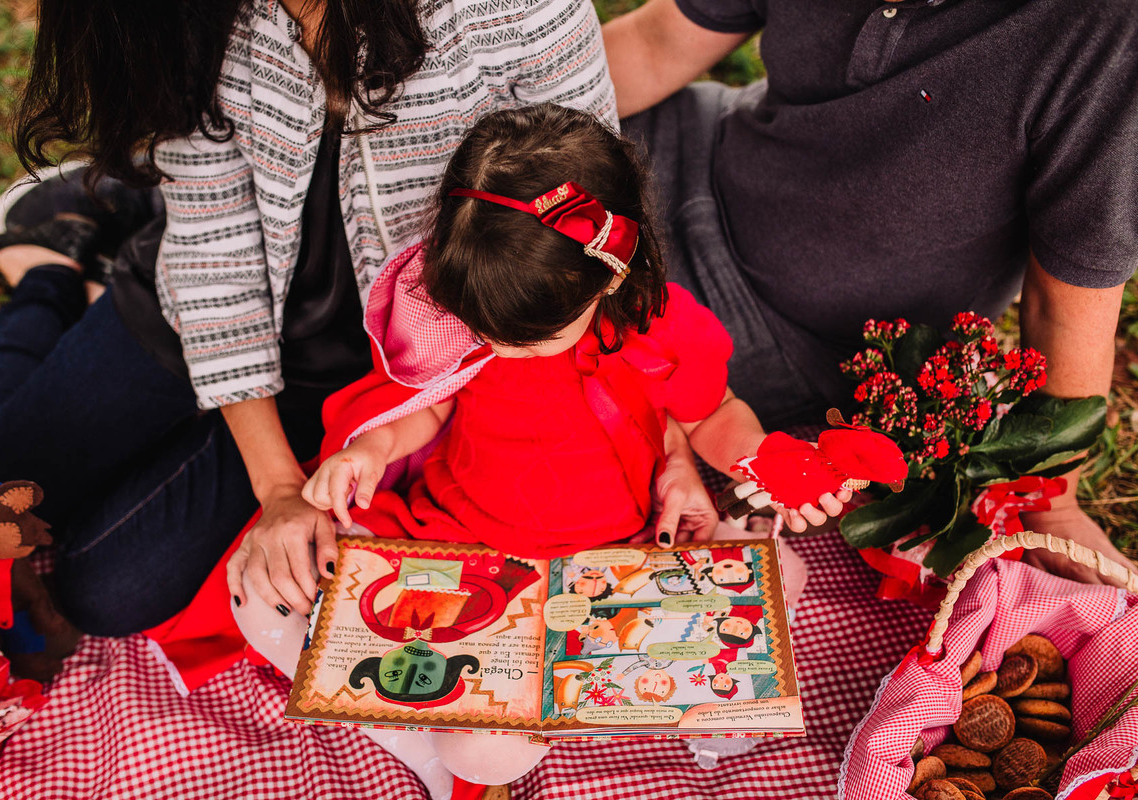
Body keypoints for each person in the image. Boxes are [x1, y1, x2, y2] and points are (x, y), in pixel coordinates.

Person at [0, 0, 615, 636]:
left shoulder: (520, 11)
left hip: (347, 372)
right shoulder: (182, 18)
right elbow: (211, 249)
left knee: (104, 593)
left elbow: (593, 222)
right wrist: (280, 488)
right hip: (189, 303)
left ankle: (72, 265)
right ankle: (51, 276)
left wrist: (294, 488)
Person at [232, 104, 848, 799]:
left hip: (617, 558)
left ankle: (591, 709)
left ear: (610, 277)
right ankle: (420, 748)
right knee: (260, 594)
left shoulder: (658, 324)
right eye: (485, 332)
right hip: (461, 546)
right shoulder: (463, 305)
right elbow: (428, 403)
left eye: (530, 338)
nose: (500, 350)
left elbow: (713, 413)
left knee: (774, 580)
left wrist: (761, 458)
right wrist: (371, 450)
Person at [601, 0, 1138, 585]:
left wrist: (1052, 501)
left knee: (560, 368)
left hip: (777, 323)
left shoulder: (1102, 31)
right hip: (697, 139)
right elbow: (657, 44)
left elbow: (1063, 306)